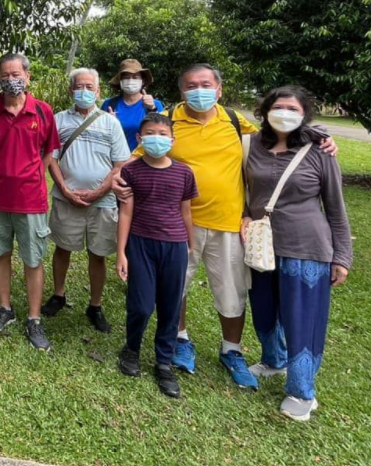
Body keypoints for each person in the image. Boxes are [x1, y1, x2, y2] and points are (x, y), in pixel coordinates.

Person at [110, 63, 337, 390]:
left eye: (205, 84)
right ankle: (181, 339)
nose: (198, 90)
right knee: (178, 289)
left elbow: (278, 134)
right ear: (181, 90)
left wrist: (320, 135)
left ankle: (231, 349)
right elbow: (138, 156)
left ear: (218, 89)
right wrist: (119, 179)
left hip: (229, 222)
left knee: (231, 293)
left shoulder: (234, 121)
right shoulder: (169, 121)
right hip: (176, 224)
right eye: (190, 85)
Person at [242, 86, 352, 422]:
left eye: (293, 108)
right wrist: (246, 213)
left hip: (307, 247)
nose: (285, 113)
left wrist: (342, 256)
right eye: (279, 107)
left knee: (301, 319)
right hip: (262, 244)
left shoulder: (320, 152)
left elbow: (335, 207)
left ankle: (302, 391)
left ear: (304, 114)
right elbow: (244, 190)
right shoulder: (252, 147)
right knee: (264, 309)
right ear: (265, 111)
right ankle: (274, 360)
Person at [0, 52, 60, 351]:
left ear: (28, 76)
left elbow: (49, 153)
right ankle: (5, 308)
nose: (11, 80)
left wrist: (32, 174)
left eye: (16, 74)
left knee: (33, 260)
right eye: (5, 75)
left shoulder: (44, 112)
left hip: (31, 200)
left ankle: (34, 318)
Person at [115, 113, 197, 399]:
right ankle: (131, 349)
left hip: (174, 246)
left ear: (172, 140)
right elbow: (125, 212)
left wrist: (191, 245)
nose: (157, 139)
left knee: (170, 307)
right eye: (151, 133)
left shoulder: (184, 172)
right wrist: (121, 252)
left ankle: (164, 361)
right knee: (140, 305)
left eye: (163, 134)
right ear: (139, 138)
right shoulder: (131, 171)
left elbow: (186, 211)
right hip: (140, 244)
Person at [43, 68, 129, 333]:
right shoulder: (58, 120)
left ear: (98, 91)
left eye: (90, 87)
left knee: (98, 253)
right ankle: (58, 294)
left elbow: (120, 164)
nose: (84, 91)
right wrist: (65, 189)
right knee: (62, 248)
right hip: (65, 198)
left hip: (102, 202)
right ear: (71, 91)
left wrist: (99, 192)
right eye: (79, 87)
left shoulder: (110, 123)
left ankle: (95, 305)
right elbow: (51, 159)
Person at [101, 59, 164, 151]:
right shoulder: (109, 104)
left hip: (144, 159)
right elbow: (99, 135)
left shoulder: (155, 104)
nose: (131, 81)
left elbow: (162, 132)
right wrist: (108, 123)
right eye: (126, 77)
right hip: (115, 160)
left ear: (142, 81)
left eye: (135, 77)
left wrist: (152, 109)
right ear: (120, 81)